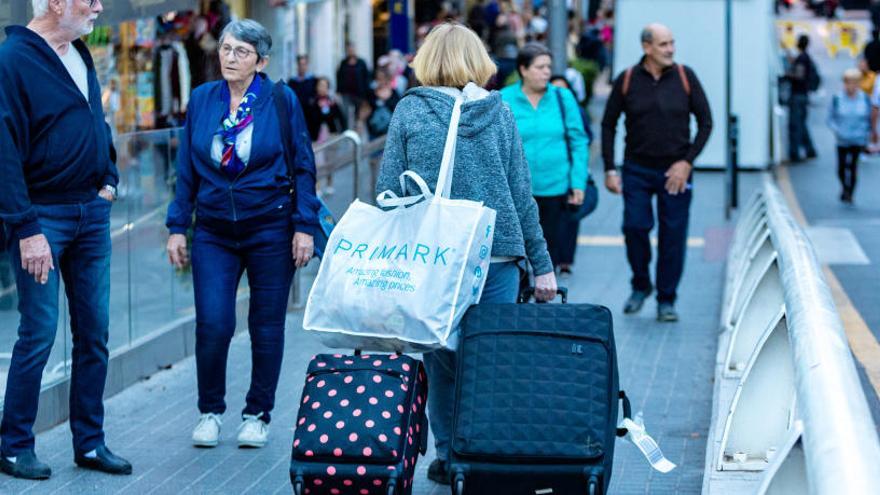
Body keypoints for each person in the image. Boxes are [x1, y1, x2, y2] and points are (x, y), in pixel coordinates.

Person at [375, 22, 557, 485]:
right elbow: (521, 194)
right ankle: (484, 451)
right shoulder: (498, 113)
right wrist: (542, 265)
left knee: (440, 358)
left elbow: (387, 194)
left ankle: (448, 453)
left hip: (433, 258)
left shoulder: (409, 113)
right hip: (494, 256)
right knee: (488, 357)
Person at [165, 19, 319, 450]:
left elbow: (303, 166)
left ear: (261, 61)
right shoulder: (201, 99)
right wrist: (178, 226)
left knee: (266, 326)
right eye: (226, 49)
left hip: (270, 227)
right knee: (213, 323)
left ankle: (257, 414)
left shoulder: (281, 100)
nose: (230, 58)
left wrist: (303, 226)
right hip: (213, 231)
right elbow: (186, 173)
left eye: (241, 52)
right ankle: (210, 412)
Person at [0, 0, 132, 480]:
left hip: (91, 213)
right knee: (38, 333)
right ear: (55, 2)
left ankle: (90, 443)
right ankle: (14, 445)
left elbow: (96, 120)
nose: (98, 6)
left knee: (94, 333)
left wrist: (110, 179)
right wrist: (26, 228)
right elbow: (4, 149)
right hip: (42, 220)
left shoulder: (79, 51)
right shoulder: (12, 60)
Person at [600, 23, 712, 322]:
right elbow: (608, 124)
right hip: (636, 169)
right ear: (647, 47)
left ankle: (666, 299)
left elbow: (706, 123)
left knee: (673, 236)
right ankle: (641, 284)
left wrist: (687, 163)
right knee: (634, 227)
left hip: (676, 171)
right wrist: (610, 168)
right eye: (664, 44)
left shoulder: (686, 77)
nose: (671, 49)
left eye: (672, 43)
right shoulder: (626, 80)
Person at [501, 43, 588, 271]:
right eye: (540, 67)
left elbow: (579, 140)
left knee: (548, 256)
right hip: (517, 191)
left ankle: (544, 300)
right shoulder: (503, 98)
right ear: (523, 69)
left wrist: (577, 182)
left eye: (548, 67)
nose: (547, 72)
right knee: (516, 255)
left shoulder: (562, 97)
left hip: (555, 188)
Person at [549, 74, 592, 276]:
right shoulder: (542, 110)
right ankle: (551, 260)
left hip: (569, 173)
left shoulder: (575, 110)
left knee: (570, 218)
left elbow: (585, 139)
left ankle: (565, 260)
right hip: (549, 176)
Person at [828, 69, 871, 204]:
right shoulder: (837, 98)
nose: (851, 86)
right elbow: (830, 118)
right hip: (842, 139)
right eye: (848, 83)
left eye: (854, 83)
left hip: (857, 139)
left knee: (852, 167)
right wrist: (837, 130)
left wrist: (866, 133)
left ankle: (849, 192)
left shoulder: (864, 99)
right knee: (841, 168)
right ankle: (844, 187)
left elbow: (870, 118)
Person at [787, 34, 819, 163]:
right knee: (802, 124)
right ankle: (809, 150)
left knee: (795, 125)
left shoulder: (801, 59)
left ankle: (795, 153)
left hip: (797, 95)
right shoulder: (806, 58)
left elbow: (798, 75)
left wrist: (787, 74)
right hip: (804, 95)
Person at [335, 43, 371, 127]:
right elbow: (339, 77)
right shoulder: (343, 63)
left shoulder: (361, 62)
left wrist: (367, 93)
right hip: (346, 93)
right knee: (345, 113)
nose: (350, 51)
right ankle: (346, 131)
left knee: (358, 115)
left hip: (359, 93)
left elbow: (366, 77)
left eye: (352, 49)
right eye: (348, 49)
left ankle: (357, 132)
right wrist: (338, 91)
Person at [364, 67, 402, 140]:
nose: (380, 81)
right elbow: (365, 111)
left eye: (382, 78)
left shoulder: (394, 93)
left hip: (390, 134)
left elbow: (399, 111)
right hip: (374, 132)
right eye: (377, 79)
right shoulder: (371, 93)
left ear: (387, 79)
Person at [306, 77, 347, 142]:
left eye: (324, 86)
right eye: (320, 85)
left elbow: (340, 118)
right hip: (315, 137)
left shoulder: (332, 102)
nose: (322, 88)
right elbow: (310, 120)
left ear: (328, 88)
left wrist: (343, 131)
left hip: (331, 135)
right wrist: (317, 108)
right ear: (316, 87)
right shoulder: (312, 102)